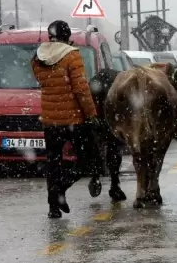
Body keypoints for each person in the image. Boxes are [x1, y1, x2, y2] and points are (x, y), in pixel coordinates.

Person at [31, 20, 104, 218]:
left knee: (53, 162)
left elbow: (43, 81)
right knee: (87, 161)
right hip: (74, 121)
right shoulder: (72, 56)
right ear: (67, 37)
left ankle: (53, 207)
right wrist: (91, 115)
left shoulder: (37, 57)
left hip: (50, 121)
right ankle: (61, 190)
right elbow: (81, 89)